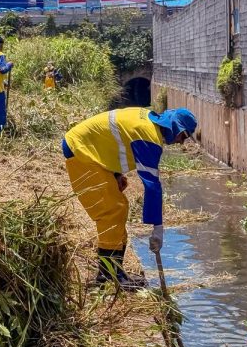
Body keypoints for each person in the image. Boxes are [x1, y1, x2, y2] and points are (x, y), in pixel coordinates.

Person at [62, 107, 197, 290]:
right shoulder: (149, 138)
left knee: (120, 207)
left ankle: (116, 272)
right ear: (177, 128)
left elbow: (112, 141)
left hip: (89, 150)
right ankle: (107, 276)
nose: (181, 142)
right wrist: (157, 227)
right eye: (183, 136)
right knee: (111, 211)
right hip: (80, 151)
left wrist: (115, 174)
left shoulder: (148, 121)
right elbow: (152, 186)